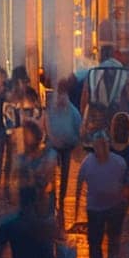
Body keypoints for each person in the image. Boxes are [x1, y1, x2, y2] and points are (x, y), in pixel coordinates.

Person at [75, 131, 129, 258]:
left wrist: (126, 204)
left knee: (113, 242)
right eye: (99, 145)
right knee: (95, 244)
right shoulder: (87, 163)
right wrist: (78, 208)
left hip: (114, 208)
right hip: (96, 209)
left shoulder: (119, 162)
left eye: (104, 145)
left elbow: (127, 184)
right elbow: (79, 185)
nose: (102, 148)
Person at [80, 45, 129, 137]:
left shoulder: (92, 73)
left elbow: (84, 98)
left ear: (101, 56)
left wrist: (84, 120)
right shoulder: (128, 74)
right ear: (115, 54)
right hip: (119, 123)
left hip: (98, 122)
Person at [45, 80, 83, 214]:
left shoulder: (72, 111)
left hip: (67, 146)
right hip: (54, 146)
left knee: (65, 174)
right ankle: (52, 200)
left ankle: (61, 200)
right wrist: (52, 138)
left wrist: (77, 143)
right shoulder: (52, 109)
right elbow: (47, 123)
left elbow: (79, 128)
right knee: (51, 173)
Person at [15, 120, 57, 220]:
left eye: (26, 134)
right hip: (27, 204)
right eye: (23, 134)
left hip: (43, 202)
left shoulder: (48, 155)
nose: (23, 137)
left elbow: (47, 177)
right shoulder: (22, 157)